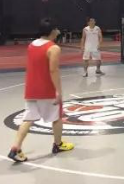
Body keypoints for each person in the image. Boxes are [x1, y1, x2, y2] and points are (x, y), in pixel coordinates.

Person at [8, 18, 74, 162]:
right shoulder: (53, 48)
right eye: (56, 29)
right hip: (46, 90)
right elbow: (53, 70)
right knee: (57, 117)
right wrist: (58, 91)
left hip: (31, 89)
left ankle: (15, 147)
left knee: (28, 118)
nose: (58, 31)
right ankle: (58, 144)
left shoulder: (32, 45)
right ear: (52, 31)